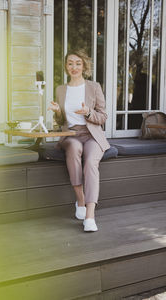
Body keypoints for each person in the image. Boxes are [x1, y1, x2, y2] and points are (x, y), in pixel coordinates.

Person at [48, 49, 110, 232]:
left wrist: (88, 113)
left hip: (92, 135)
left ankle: (90, 215)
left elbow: (103, 116)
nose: (74, 67)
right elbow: (61, 122)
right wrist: (57, 111)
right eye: (70, 63)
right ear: (66, 66)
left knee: (91, 161)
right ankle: (80, 200)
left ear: (84, 66)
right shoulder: (61, 89)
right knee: (74, 149)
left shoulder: (94, 87)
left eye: (78, 63)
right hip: (72, 135)